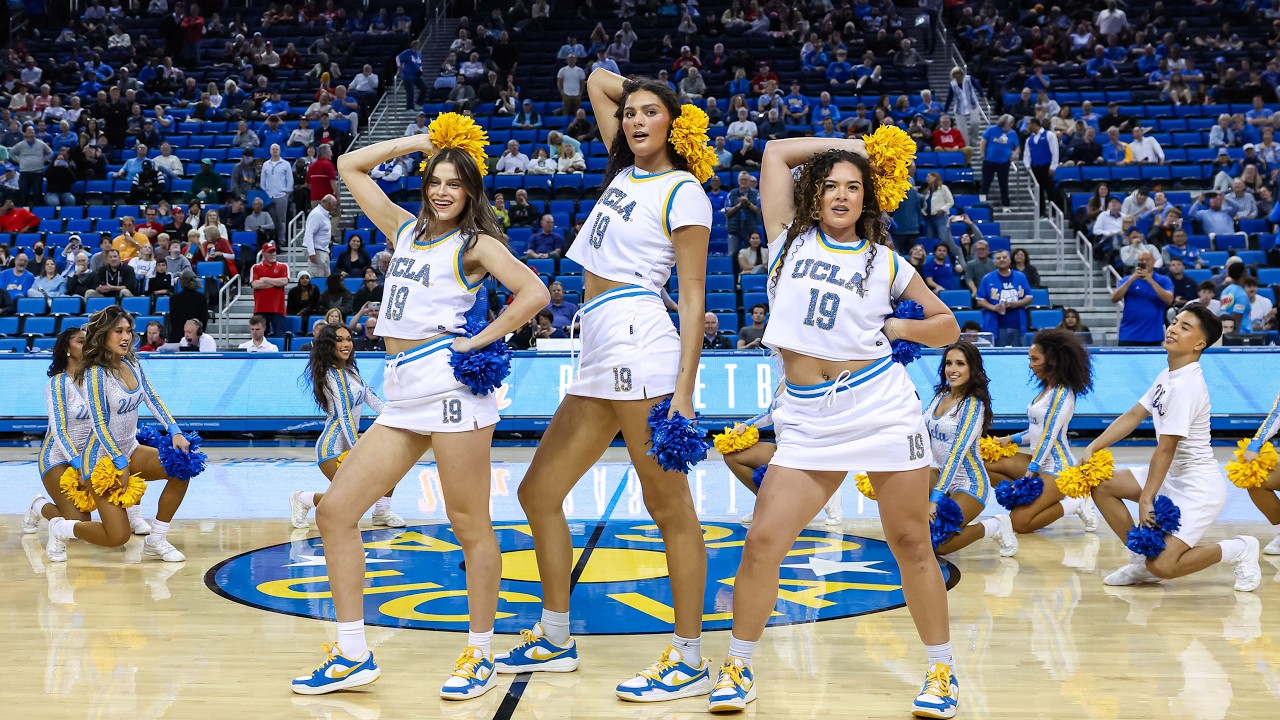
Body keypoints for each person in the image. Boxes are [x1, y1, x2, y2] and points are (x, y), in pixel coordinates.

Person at [705, 128, 960, 716]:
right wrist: (860, 147)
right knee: (764, 541)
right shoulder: (785, 242)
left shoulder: (887, 262)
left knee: (909, 542)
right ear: (814, 195)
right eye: (831, 186)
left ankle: (942, 672)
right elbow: (774, 153)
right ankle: (738, 668)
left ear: (867, 200)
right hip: (806, 417)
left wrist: (900, 329)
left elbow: (945, 324)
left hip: (879, 405)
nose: (842, 196)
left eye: (854, 188)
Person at [291, 115, 547, 700]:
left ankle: (478, 653)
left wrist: (481, 340)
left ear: (471, 193)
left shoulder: (476, 244)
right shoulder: (404, 229)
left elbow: (531, 292)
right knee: (335, 512)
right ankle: (353, 652)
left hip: (452, 391)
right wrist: (421, 143)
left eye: (456, 183)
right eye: (436, 178)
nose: (443, 190)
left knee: (469, 525)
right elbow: (350, 166)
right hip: (403, 392)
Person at [493, 70, 716, 703]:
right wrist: (647, 99)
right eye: (632, 114)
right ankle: (556, 635)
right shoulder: (625, 173)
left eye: (653, 113)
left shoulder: (684, 191)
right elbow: (595, 81)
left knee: (668, 506)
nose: (637, 120)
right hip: (596, 340)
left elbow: (694, 294)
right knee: (539, 490)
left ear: (675, 124)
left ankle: (691, 657)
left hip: (640, 341)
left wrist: (684, 389)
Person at [1087, 306, 1261, 591]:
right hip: (1170, 477)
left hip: (1197, 488)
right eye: (1175, 322)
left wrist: (1146, 498)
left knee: (1165, 567)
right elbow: (1134, 415)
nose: (1173, 328)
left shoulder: (1187, 386)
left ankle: (1239, 548)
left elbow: (1166, 449)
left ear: (1199, 344)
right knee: (1103, 485)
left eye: (1184, 327)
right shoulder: (1167, 375)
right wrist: (1094, 445)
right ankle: (1140, 561)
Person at [43, 306, 195, 563]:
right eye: (118, 331)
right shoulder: (93, 373)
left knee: (182, 465)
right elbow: (100, 423)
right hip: (101, 459)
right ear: (104, 335)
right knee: (117, 537)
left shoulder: (132, 362)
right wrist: (119, 462)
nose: (126, 337)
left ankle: (157, 538)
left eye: (129, 331)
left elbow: (151, 397)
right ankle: (61, 529)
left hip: (130, 448)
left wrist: (175, 430)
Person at [984, 329, 1097, 535]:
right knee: (986, 464)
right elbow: (1036, 431)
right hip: (1040, 461)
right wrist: (1009, 439)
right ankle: (1027, 500)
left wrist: (1029, 473)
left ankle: (1074, 503)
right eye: (1030, 359)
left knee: (1019, 523)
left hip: (1058, 469)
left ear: (1052, 359)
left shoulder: (1063, 393)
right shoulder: (1047, 389)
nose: (1031, 364)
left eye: (1035, 359)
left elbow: (1049, 436)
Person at [288, 321, 399, 529]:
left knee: (391, 465)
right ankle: (303, 499)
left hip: (350, 443)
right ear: (329, 345)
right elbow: (345, 415)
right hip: (332, 448)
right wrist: (358, 450)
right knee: (349, 501)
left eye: (348, 339)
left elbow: (374, 400)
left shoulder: (350, 371)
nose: (346, 344)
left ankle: (382, 512)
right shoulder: (332, 374)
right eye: (339, 340)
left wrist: (398, 417)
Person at [924, 342, 1019, 557]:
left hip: (970, 483)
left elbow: (956, 454)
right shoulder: (940, 397)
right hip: (942, 477)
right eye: (948, 363)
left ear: (972, 368)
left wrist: (934, 499)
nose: (952, 369)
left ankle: (995, 526)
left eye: (960, 364)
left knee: (938, 545)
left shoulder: (973, 405)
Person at [22, 328, 93, 540]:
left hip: (89, 457)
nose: (87, 346)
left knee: (84, 526)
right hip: (58, 457)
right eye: (81, 342)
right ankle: (39, 505)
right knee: (78, 529)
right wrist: (80, 466)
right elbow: (59, 431)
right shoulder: (58, 383)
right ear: (67, 350)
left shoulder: (96, 380)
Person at [1113, 250, 1174, 346]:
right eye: (1141, 260)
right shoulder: (1127, 280)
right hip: (1128, 334)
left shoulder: (1163, 280)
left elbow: (1169, 300)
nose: (1144, 262)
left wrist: (1150, 280)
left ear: (1153, 262)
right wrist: (1132, 279)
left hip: (1153, 335)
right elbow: (1114, 298)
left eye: (1147, 260)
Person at [976, 250, 1033, 347]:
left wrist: (1016, 304)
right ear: (994, 261)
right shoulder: (987, 278)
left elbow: (1029, 298)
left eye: (1004, 257)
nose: (1002, 260)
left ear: (1010, 260)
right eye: (998, 258)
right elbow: (980, 300)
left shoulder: (1021, 276)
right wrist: (994, 307)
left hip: (1018, 324)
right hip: (996, 326)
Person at [981, 115, 1018, 212]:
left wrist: (1015, 153)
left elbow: (1017, 146)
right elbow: (984, 141)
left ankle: (1006, 206)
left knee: (1003, 185)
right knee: (985, 182)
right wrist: (982, 153)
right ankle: (981, 202)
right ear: (1004, 123)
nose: (1011, 125)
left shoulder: (1013, 133)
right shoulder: (992, 130)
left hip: (1004, 163)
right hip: (989, 161)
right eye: (1009, 123)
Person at [304, 195, 337, 278]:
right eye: (334, 205)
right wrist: (311, 252)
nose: (335, 207)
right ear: (328, 204)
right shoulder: (317, 214)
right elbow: (309, 233)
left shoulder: (323, 214)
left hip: (323, 250)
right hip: (317, 250)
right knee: (319, 277)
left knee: (326, 277)